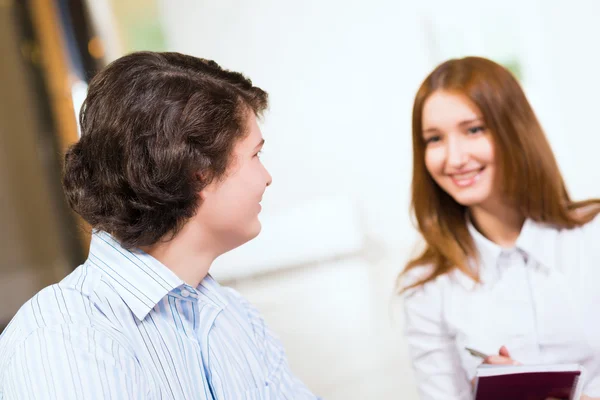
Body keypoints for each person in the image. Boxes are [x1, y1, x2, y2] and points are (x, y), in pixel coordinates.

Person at [0, 51, 320, 399]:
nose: (267, 177)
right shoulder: (66, 339)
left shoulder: (234, 317)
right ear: (197, 170)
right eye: (255, 155)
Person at [398, 56, 600, 400]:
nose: (455, 158)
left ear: (515, 130)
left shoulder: (592, 236)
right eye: (434, 139)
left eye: (473, 129)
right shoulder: (427, 287)